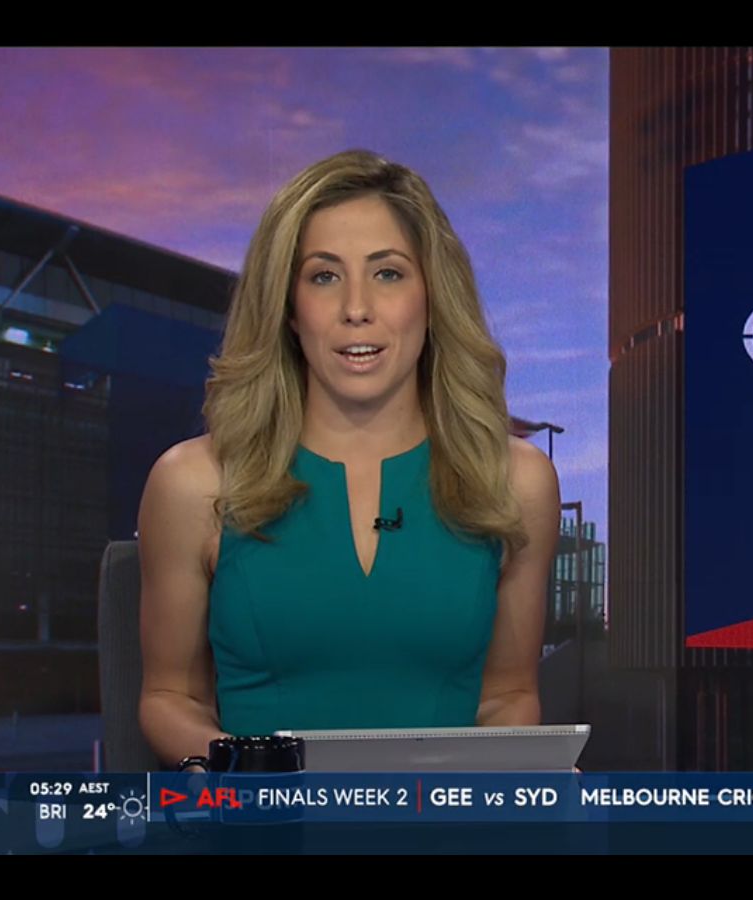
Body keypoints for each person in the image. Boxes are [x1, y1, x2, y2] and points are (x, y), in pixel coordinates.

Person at [137, 149, 560, 768]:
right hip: (267, 813)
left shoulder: (515, 481)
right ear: (288, 307)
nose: (357, 308)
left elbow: (509, 695)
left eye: (387, 273)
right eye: (324, 276)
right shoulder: (193, 482)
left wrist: (488, 779)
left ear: (432, 296)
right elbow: (170, 696)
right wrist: (248, 778)